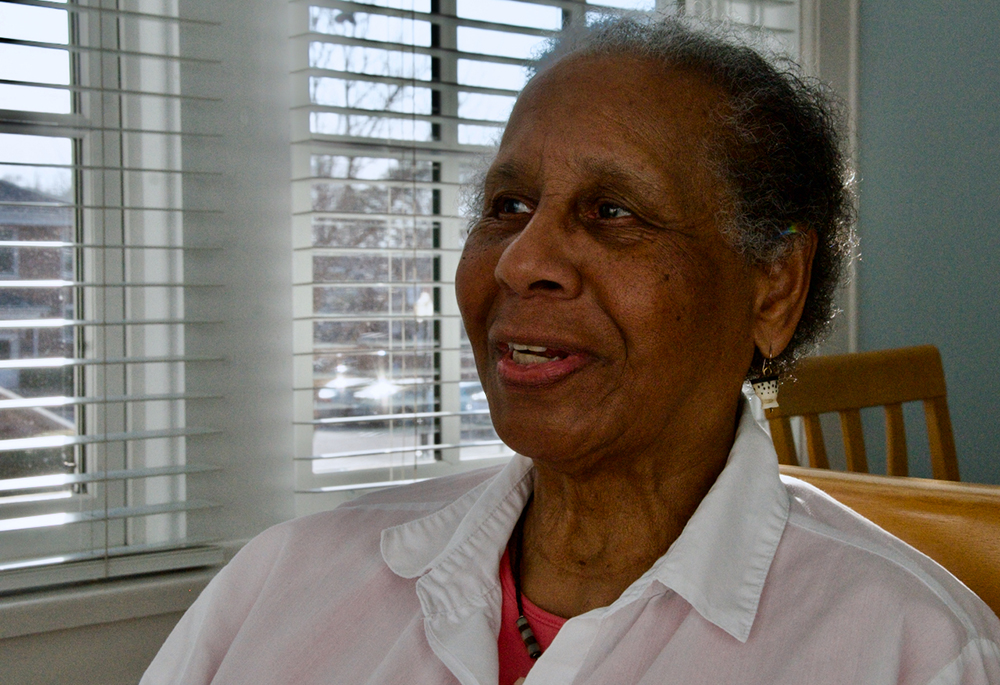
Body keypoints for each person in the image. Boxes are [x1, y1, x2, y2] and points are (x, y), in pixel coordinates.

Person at [141, 13, 1000, 685]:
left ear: (772, 286)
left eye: (612, 212)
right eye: (508, 205)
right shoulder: (287, 582)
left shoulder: (916, 653)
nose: (522, 262)